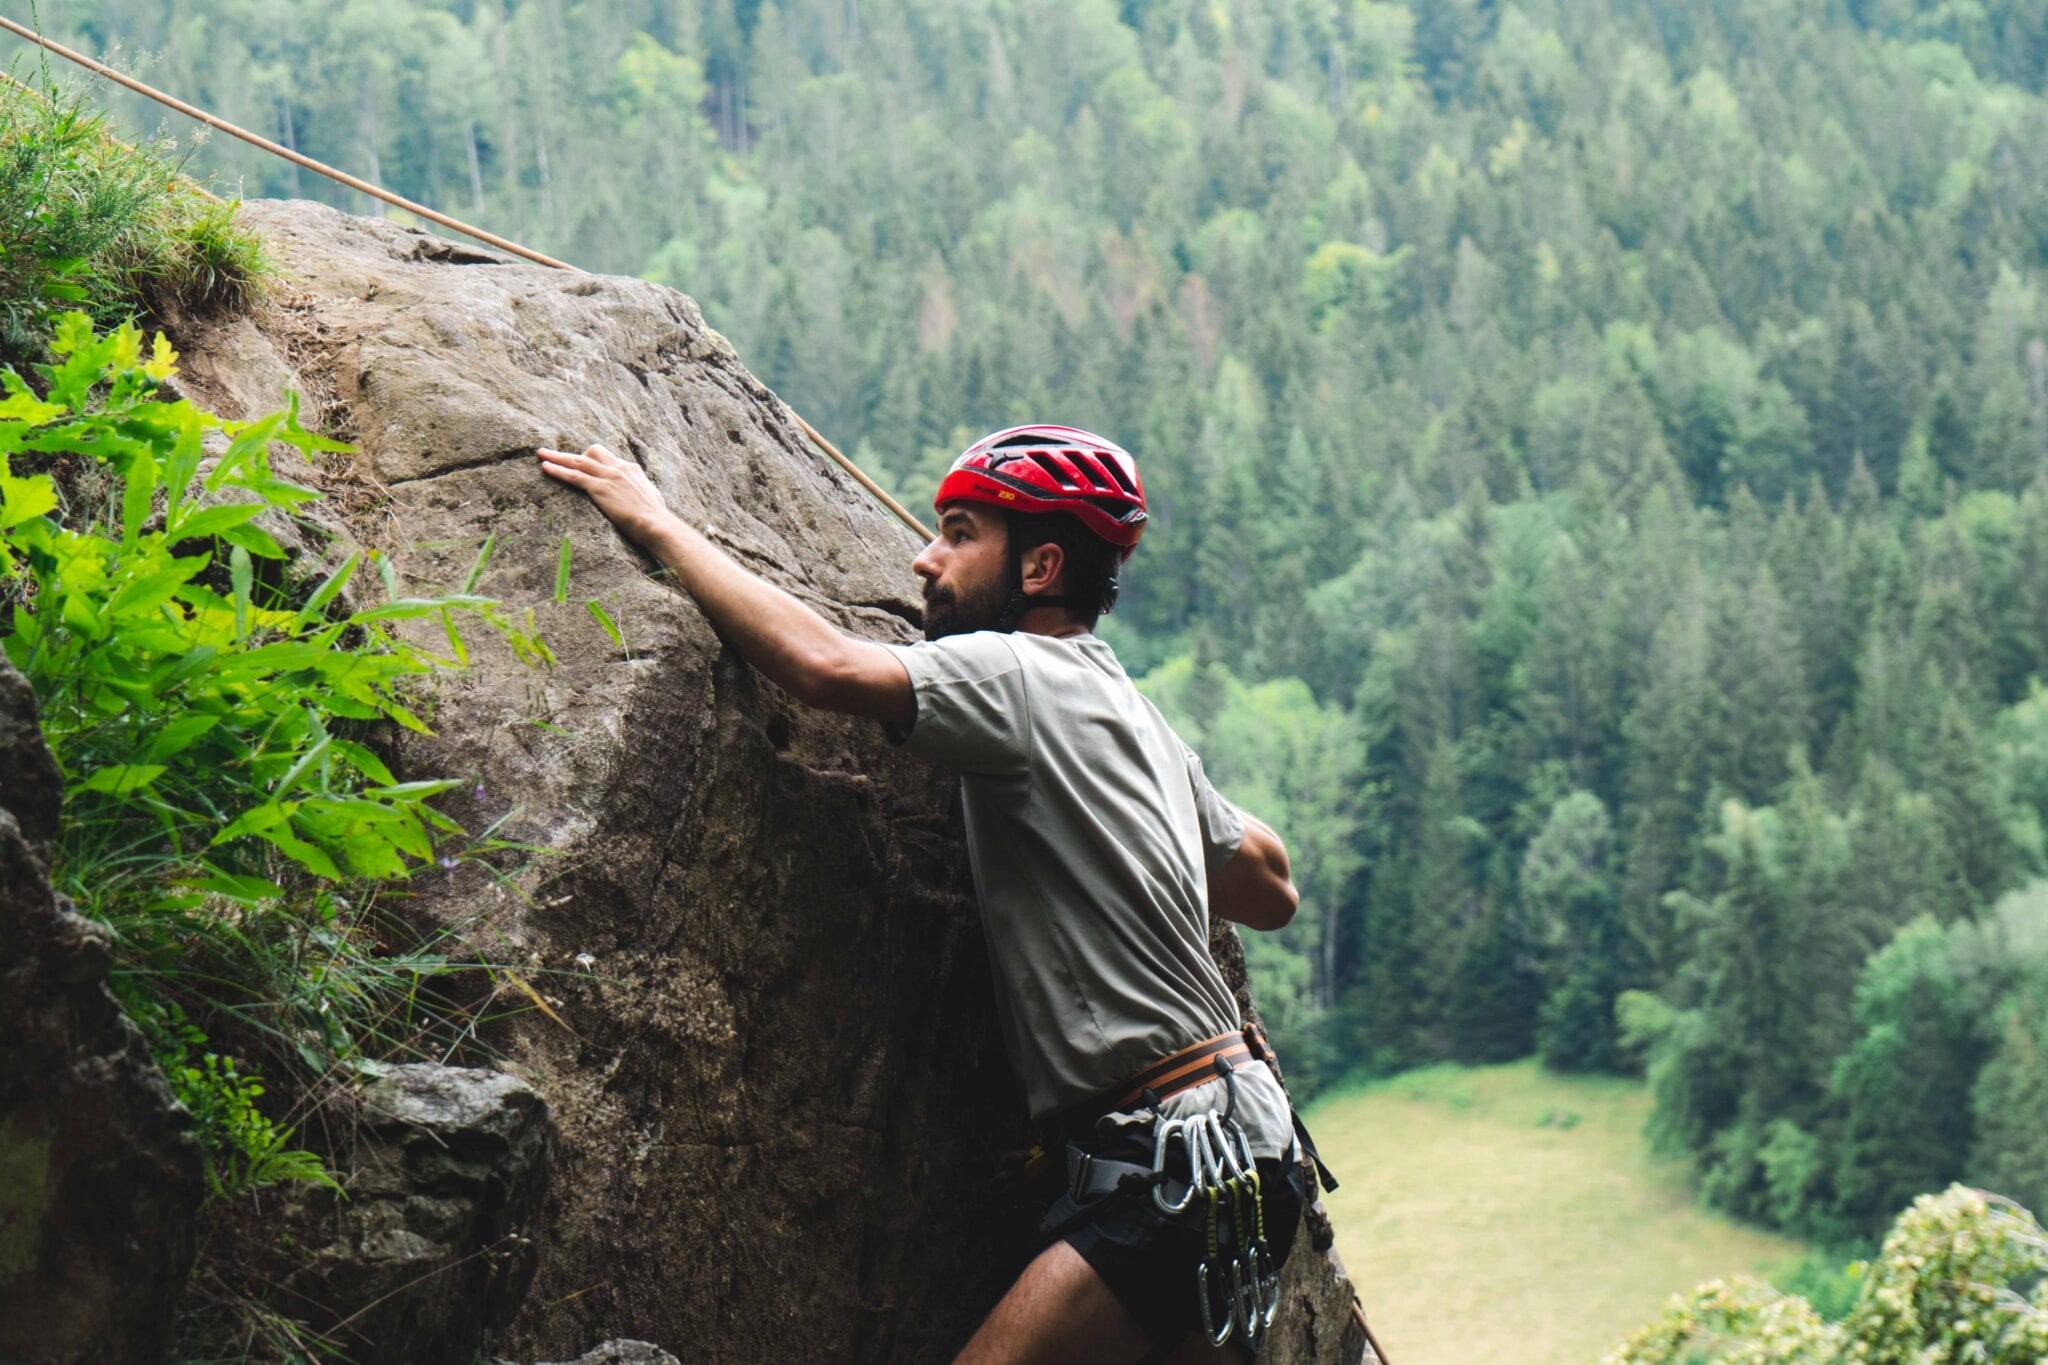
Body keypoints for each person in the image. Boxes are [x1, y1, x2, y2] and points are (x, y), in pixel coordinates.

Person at [536, 425, 1329, 1363]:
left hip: (1169, 1166)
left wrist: (660, 525)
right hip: (1246, 1149)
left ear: (1039, 564)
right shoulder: (1137, 716)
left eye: (959, 533)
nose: (926, 555)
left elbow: (828, 668)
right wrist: (1164, 804)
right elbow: (1271, 887)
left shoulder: (1014, 672)